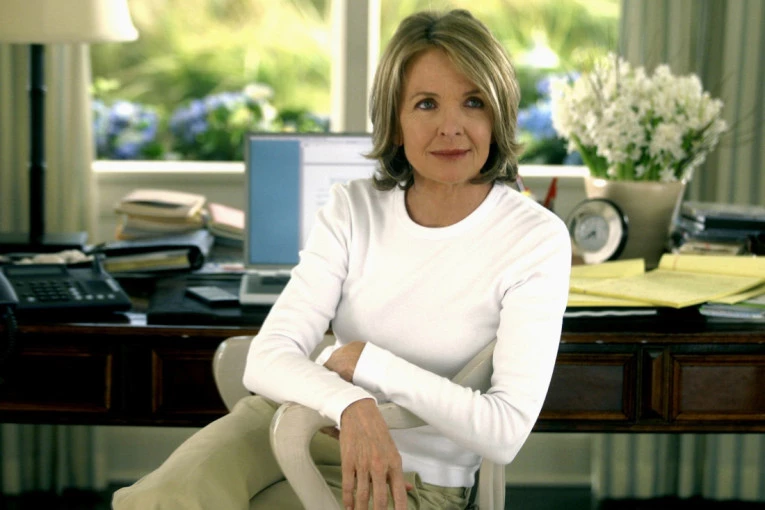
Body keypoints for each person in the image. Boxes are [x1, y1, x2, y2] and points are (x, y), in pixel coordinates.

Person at [113, 8, 571, 510]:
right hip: (290, 426)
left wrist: (370, 364)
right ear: (395, 123)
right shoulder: (353, 207)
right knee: (156, 499)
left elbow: (505, 432)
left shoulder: (535, 238)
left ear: (498, 115)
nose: (450, 127)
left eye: (473, 102)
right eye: (426, 104)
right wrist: (352, 402)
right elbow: (268, 357)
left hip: (415, 476)